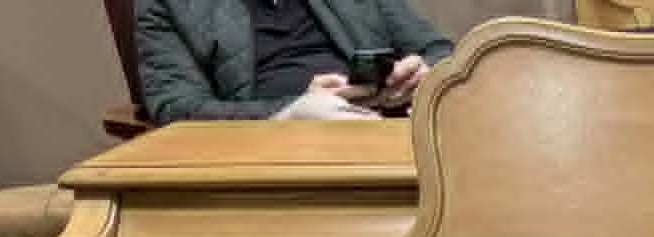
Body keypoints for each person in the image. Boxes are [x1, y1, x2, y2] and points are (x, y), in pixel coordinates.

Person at [136, 0, 454, 125]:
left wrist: (422, 76)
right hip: (275, 156)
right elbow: (175, 105)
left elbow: (442, 51)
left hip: (390, 128)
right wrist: (291, 112)